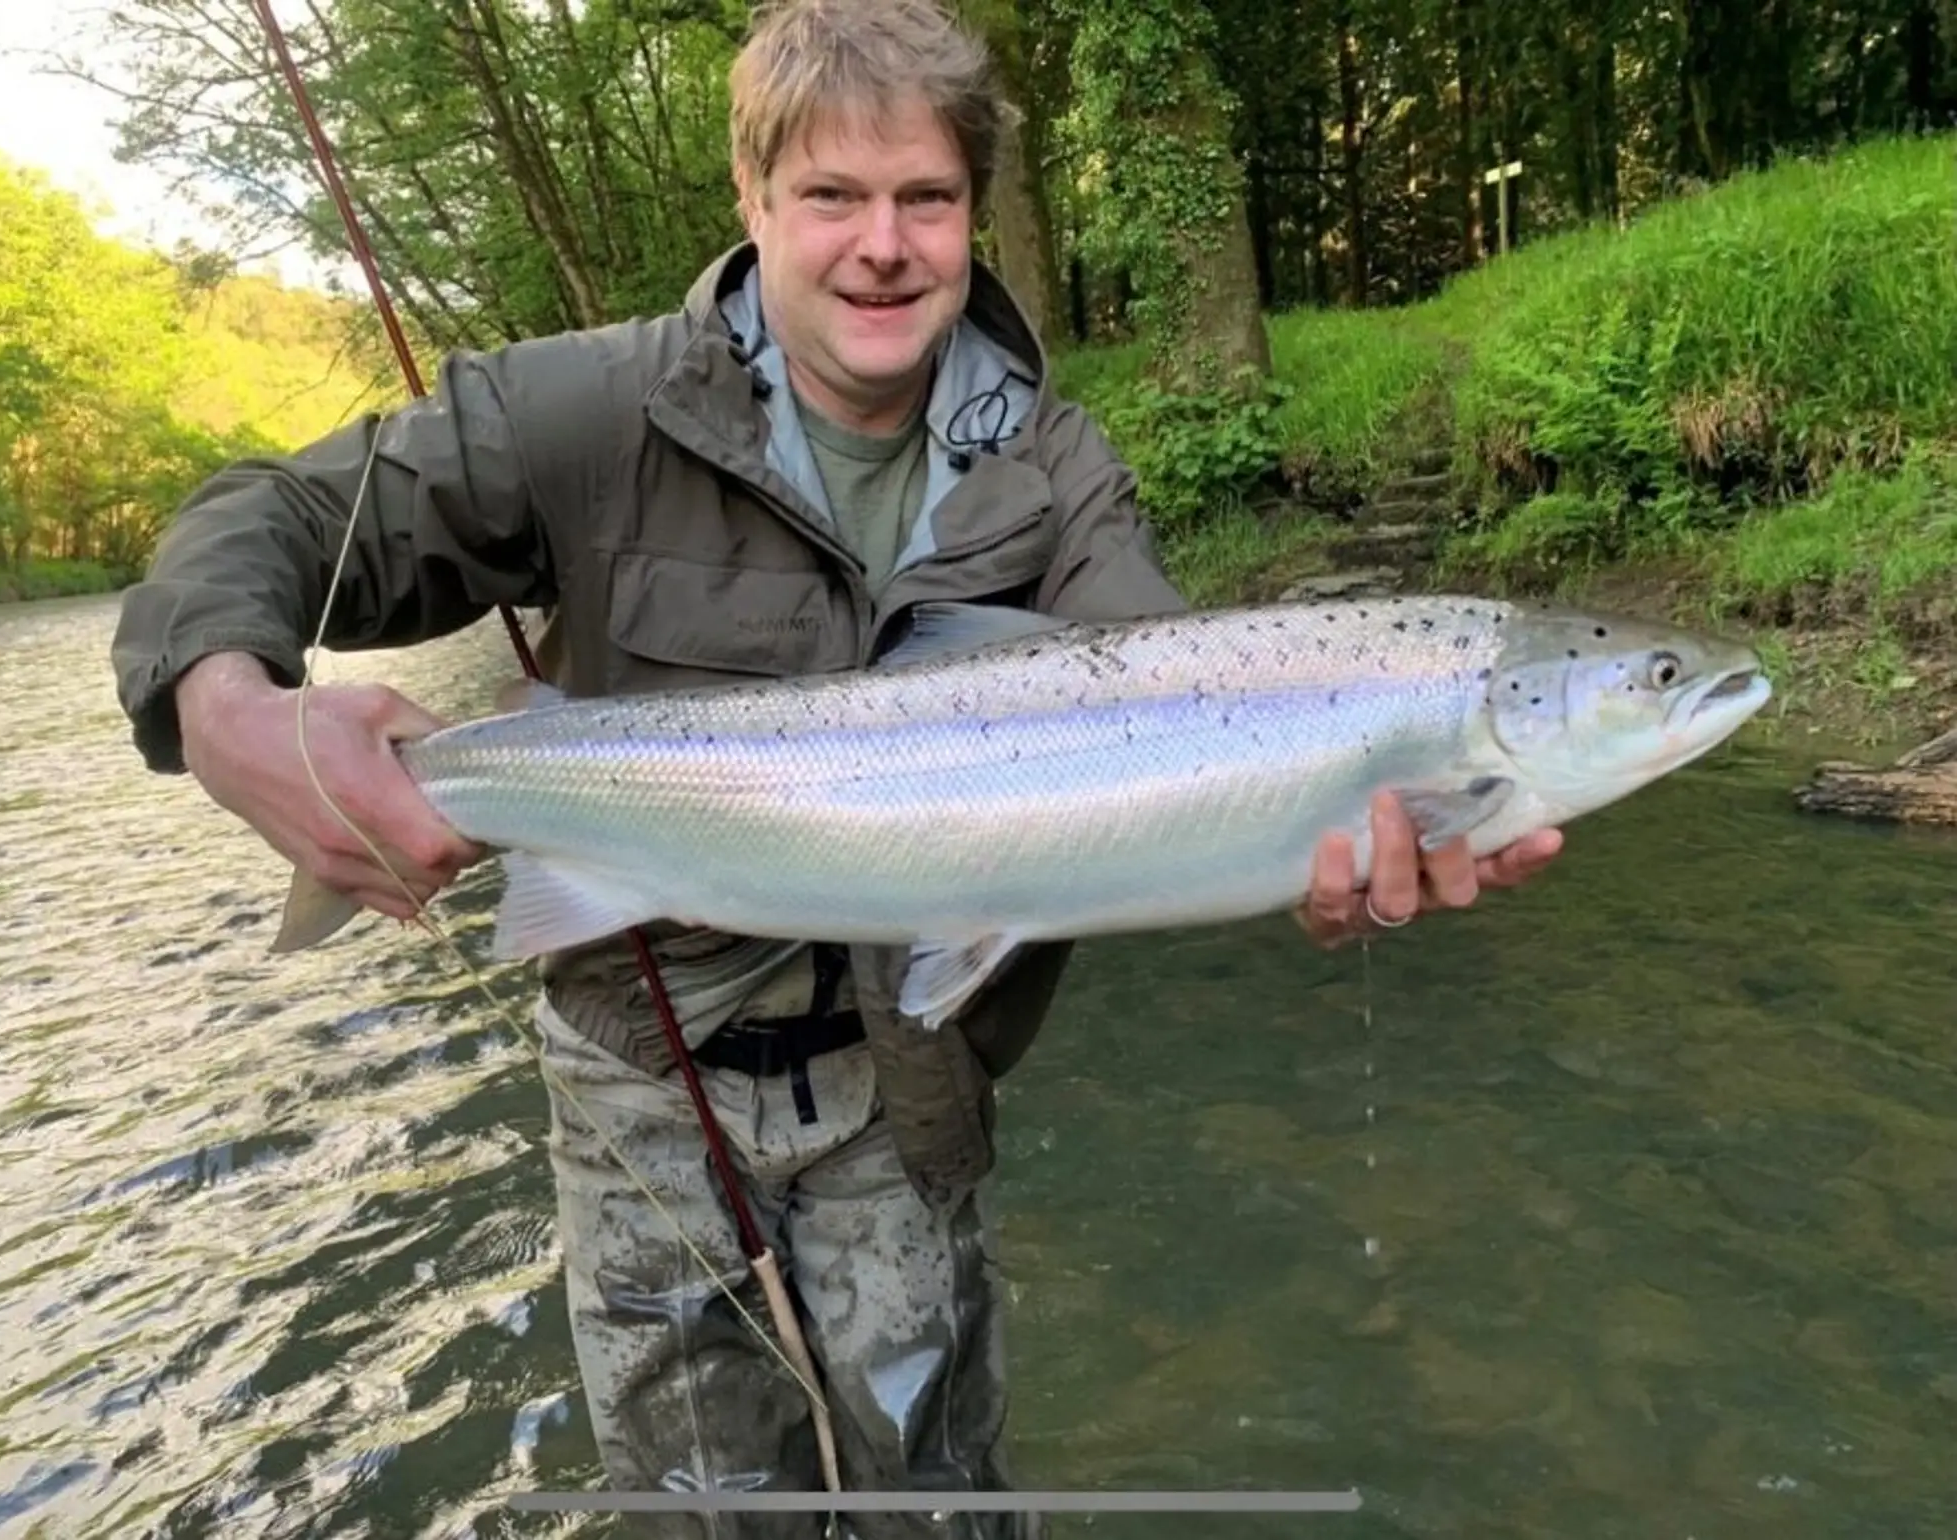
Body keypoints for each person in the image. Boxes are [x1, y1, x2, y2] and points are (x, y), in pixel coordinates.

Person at [109, 0, 1561, 1533]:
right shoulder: (587, 411)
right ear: (754, 203)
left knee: (935, 1504)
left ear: (972, 215)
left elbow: (1175, 718)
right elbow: (260, 516)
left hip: (905, 1093)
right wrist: (228, 709)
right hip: (642, 1086)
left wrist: (1317, 844)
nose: (884, 244)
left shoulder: (1056, 475)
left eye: (926, 199)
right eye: (833, 198)